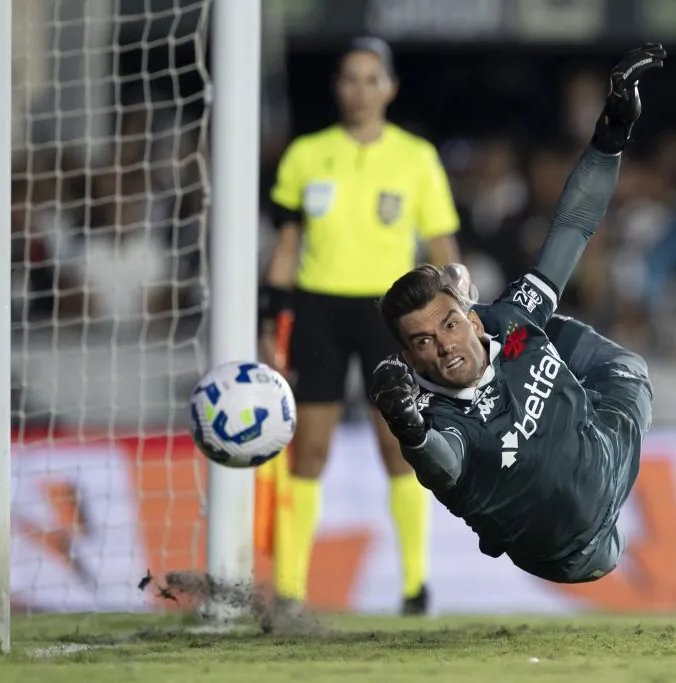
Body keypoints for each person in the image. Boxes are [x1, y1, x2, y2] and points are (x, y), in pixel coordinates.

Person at [369, 44, 664, 583]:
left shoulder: (506, 320)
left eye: (450, 324)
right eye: (422, 343)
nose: (444, 347)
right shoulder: (438, 419)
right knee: (543, 335)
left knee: (586, 347)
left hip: (607, 452)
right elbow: (444, 466)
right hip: (573, 552)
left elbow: (574, 223)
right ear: (408, 356)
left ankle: (481, 307)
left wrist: (611, 134)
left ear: (471, 320)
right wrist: (408, 431)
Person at [260, 37, 461, 614]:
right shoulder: (306, 154)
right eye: (351, 78)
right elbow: (286, 246)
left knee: (399, 447)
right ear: (337, 86)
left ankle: (416, 587)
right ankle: (292, 590)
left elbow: (441, 240)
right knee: (309, 451)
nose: (361, 89)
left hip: (389, 314)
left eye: (372, 79)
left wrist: (455, 304)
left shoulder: (416, 157)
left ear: (391, 87)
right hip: (319, 309)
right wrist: (270, 321)